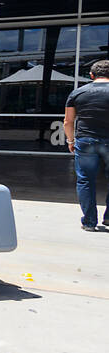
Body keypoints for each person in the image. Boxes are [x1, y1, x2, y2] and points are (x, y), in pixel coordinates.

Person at [64, 59, 109, 231]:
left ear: (91, 75)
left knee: (85, 180)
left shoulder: (78, 93)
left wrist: (71, 141)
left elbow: (68, 121)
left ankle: (89, 222)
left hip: (86, 140)